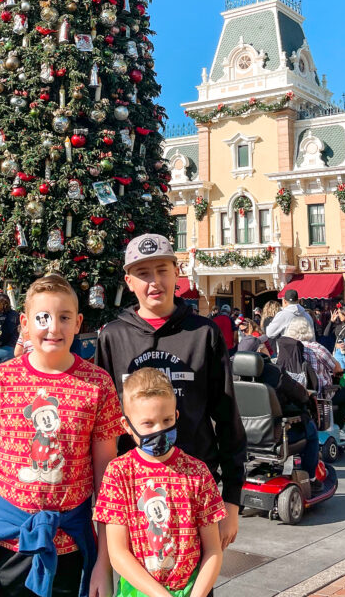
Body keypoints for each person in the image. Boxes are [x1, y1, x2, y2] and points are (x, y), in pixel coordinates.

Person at [0, 274, 123, 597]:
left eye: (64, 318)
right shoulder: (1, 380)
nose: (54, 328)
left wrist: (105, 561)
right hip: (4, 547)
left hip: (70, 550)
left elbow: (106, 481)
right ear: (25, 323)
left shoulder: (98, 385)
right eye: (43, 318)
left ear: (78, 322)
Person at [96, 234, 245, 551]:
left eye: (162, 269)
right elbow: (103, 427)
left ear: (177, 272)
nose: (155, 282)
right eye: (143, 273)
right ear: (129, 281)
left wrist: (231, 498)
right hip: (132, 492)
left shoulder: (204, 334)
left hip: (195, 491)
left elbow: (227, 415)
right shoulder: (112, 337)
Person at [94, 368, 224, 597]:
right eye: (148, 423)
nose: (160, 430)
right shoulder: (118, 473)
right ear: (126, 426)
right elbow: (118, 553)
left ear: (177, 416)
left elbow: (213, 550)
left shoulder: (197, 472)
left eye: (167, 420)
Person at [247, 350, 321, 484]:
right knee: (311, 430)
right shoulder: (275, 374)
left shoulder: (232, 377)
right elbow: (301, 395)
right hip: (275, 437)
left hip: (241, 436)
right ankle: (311, 478)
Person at [283, 316, 345, 438]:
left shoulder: (287, 350)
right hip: (320, 396)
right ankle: (338, 428)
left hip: (297, 394)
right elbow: (337, 369)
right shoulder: (316, 347)